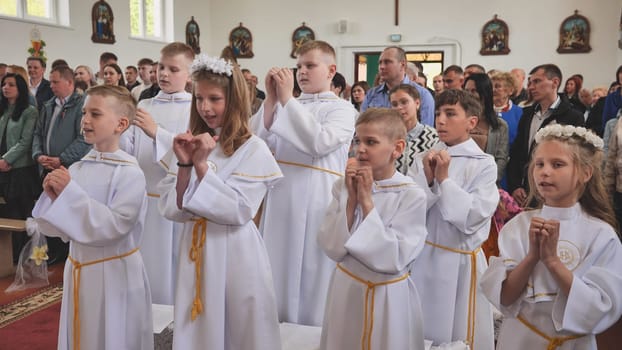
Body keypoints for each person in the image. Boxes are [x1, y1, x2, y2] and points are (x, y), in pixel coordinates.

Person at [158, 53, 282, 350]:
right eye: (199, 98)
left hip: (235, 252)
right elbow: (173, 206)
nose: (205, 107)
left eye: (215, 99)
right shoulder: (192, 140)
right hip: (197, 249)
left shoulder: (254, 148)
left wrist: (202, 166)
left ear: (235, 100)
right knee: (199, 323)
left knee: (238, 325)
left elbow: (239, 210)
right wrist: (186, 165)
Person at [31, 85, 154, 350]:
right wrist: (55, 198)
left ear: (121, 123)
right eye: (85, 112)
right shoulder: (77, 167)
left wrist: (69, 195)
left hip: (114, 272)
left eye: (95, 114)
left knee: (114, 336)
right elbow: (61, 230)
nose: (85, 120)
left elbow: (115, 226)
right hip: (79, 268)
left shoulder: (130, 173)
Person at [482, 124, 622, 350]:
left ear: (586, 173)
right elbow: (505, 298)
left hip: (571, 343)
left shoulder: (601, 235)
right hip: (519, 339)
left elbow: (599, 309)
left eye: (557, 164)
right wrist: (531, 258)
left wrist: (552, 262)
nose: (545, 172)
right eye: (539, 164)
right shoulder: (517, 227)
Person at [250, 40, 357, 326]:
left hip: (319, 198)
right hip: (282, 194)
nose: (301, 72)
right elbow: (257, 140)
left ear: (331, 70)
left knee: (312, 266)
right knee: (278, 261)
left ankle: (313, 329)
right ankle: (274, 325)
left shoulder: (343, 109)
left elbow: (318, 142)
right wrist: (272, 99)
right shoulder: (288, 104)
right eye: (298, 66)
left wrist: (287, 100)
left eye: (310, 65)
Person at [318, 108, 427, 350]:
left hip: (387, 296)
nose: (361, 149)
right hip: (347, 289)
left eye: (371, 142)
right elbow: (331, 246)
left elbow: (394, 257)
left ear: (397, 149)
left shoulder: (411, 195)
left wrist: (366, 201)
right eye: (358, 141)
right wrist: (351, 201)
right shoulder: (342, 185)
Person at [409, 89, 498, 350]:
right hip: (424, 256)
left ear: (471, 122)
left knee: (458, 331)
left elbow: (472, 217)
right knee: (421, 326)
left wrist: (444, 180)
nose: (441, 120)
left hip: (459, 261)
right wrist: (426, 178)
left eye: (450, 114)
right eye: (437, 113)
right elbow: (410, 209)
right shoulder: (424, 157)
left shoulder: (483, 164)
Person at [120, 42, 194, 305]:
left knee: (173, 268)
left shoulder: (194, 108)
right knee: (145, 265)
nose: (163, 74)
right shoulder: (145, 104)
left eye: (173, 69)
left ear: (190, 74)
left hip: (175, 200)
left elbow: (191, 153)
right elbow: (132, 147)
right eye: (161, 67)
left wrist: (157, 134)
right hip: (144, 198)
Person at [32, 65, 90, 264]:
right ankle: (52, 250)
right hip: (46, 165)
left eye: (56, 81)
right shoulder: (49, 105)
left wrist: (62, 159)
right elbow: (38, 133)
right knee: (48, 209)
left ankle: (65, 251)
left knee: (65, 209)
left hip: (67, 167)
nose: (52, 85)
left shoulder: (81, 104)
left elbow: (83, 139)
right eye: (51, 81)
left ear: (70, 83)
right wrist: (38, 154)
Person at [507, 64, 584, 207]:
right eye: (530, 83)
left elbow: (575, 158)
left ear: (555, 82)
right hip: (526, 189)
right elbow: (517, 152)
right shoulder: (527, 114)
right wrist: (515, 185)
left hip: (555, 190)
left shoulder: (573, 116)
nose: (531, 87)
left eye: (537, 81)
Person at [0, 73, 41, 261]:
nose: (5, 88)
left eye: (11, 85)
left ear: (20, 89)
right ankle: (8, 253)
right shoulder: (3, 109)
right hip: (3, 168)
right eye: (3, 84)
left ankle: (23, 254)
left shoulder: (29, 111)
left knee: (21, 213)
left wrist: (7, 160)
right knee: (7, 211)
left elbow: (25, 142)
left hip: (21, 169)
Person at [360, 46, 435, 127]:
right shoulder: (371, 94)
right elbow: (362, 126)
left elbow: (426, 131)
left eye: (387, 62)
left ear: (402, 65)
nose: (381, 67)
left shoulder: (422, 95)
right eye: (380, 63)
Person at [464, 73, 510, 186]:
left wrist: (488, 183)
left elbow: (501, 159)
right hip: (459, 181)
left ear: (484, 93)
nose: (468, 95)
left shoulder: (500, 126)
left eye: (473, 91)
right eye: (466, 90)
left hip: (487, 184)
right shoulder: (459, 121)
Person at [389, 84, 438, 174]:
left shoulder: (433, 136)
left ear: (417, 103)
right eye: (394, 104)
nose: (399, 107)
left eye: (404, 102)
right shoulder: (387, 136)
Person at [491, 72, 523, 146]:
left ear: (510, 91)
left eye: (497, 86)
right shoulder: (483, 111)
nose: (493, 90)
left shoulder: (520, 113)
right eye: (491, 87)